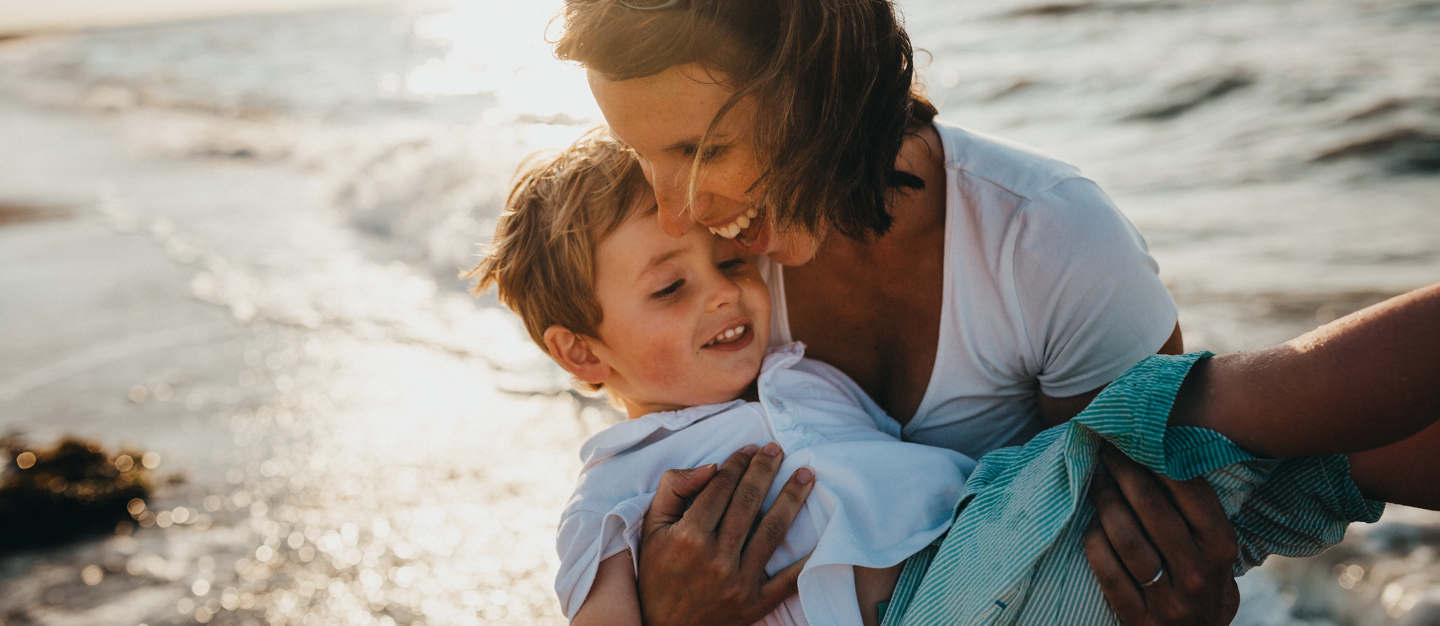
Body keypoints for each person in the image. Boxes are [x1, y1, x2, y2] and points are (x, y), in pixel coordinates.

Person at [467, 135, 1440, 626]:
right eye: (671, 287)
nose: (726, 295)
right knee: (1202, 410)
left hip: (1007, 554)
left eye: (726, 263)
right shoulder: (617, 487)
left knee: (1319, 462)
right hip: (942, 598)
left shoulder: (799, 372)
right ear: (583, 354)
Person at [550, 0, 1240, 623]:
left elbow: (1162, 535)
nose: (676, 211)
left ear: (819, 93)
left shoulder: (1050, 244)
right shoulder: (713, 273)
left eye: (705, 150)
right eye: (641, 153)